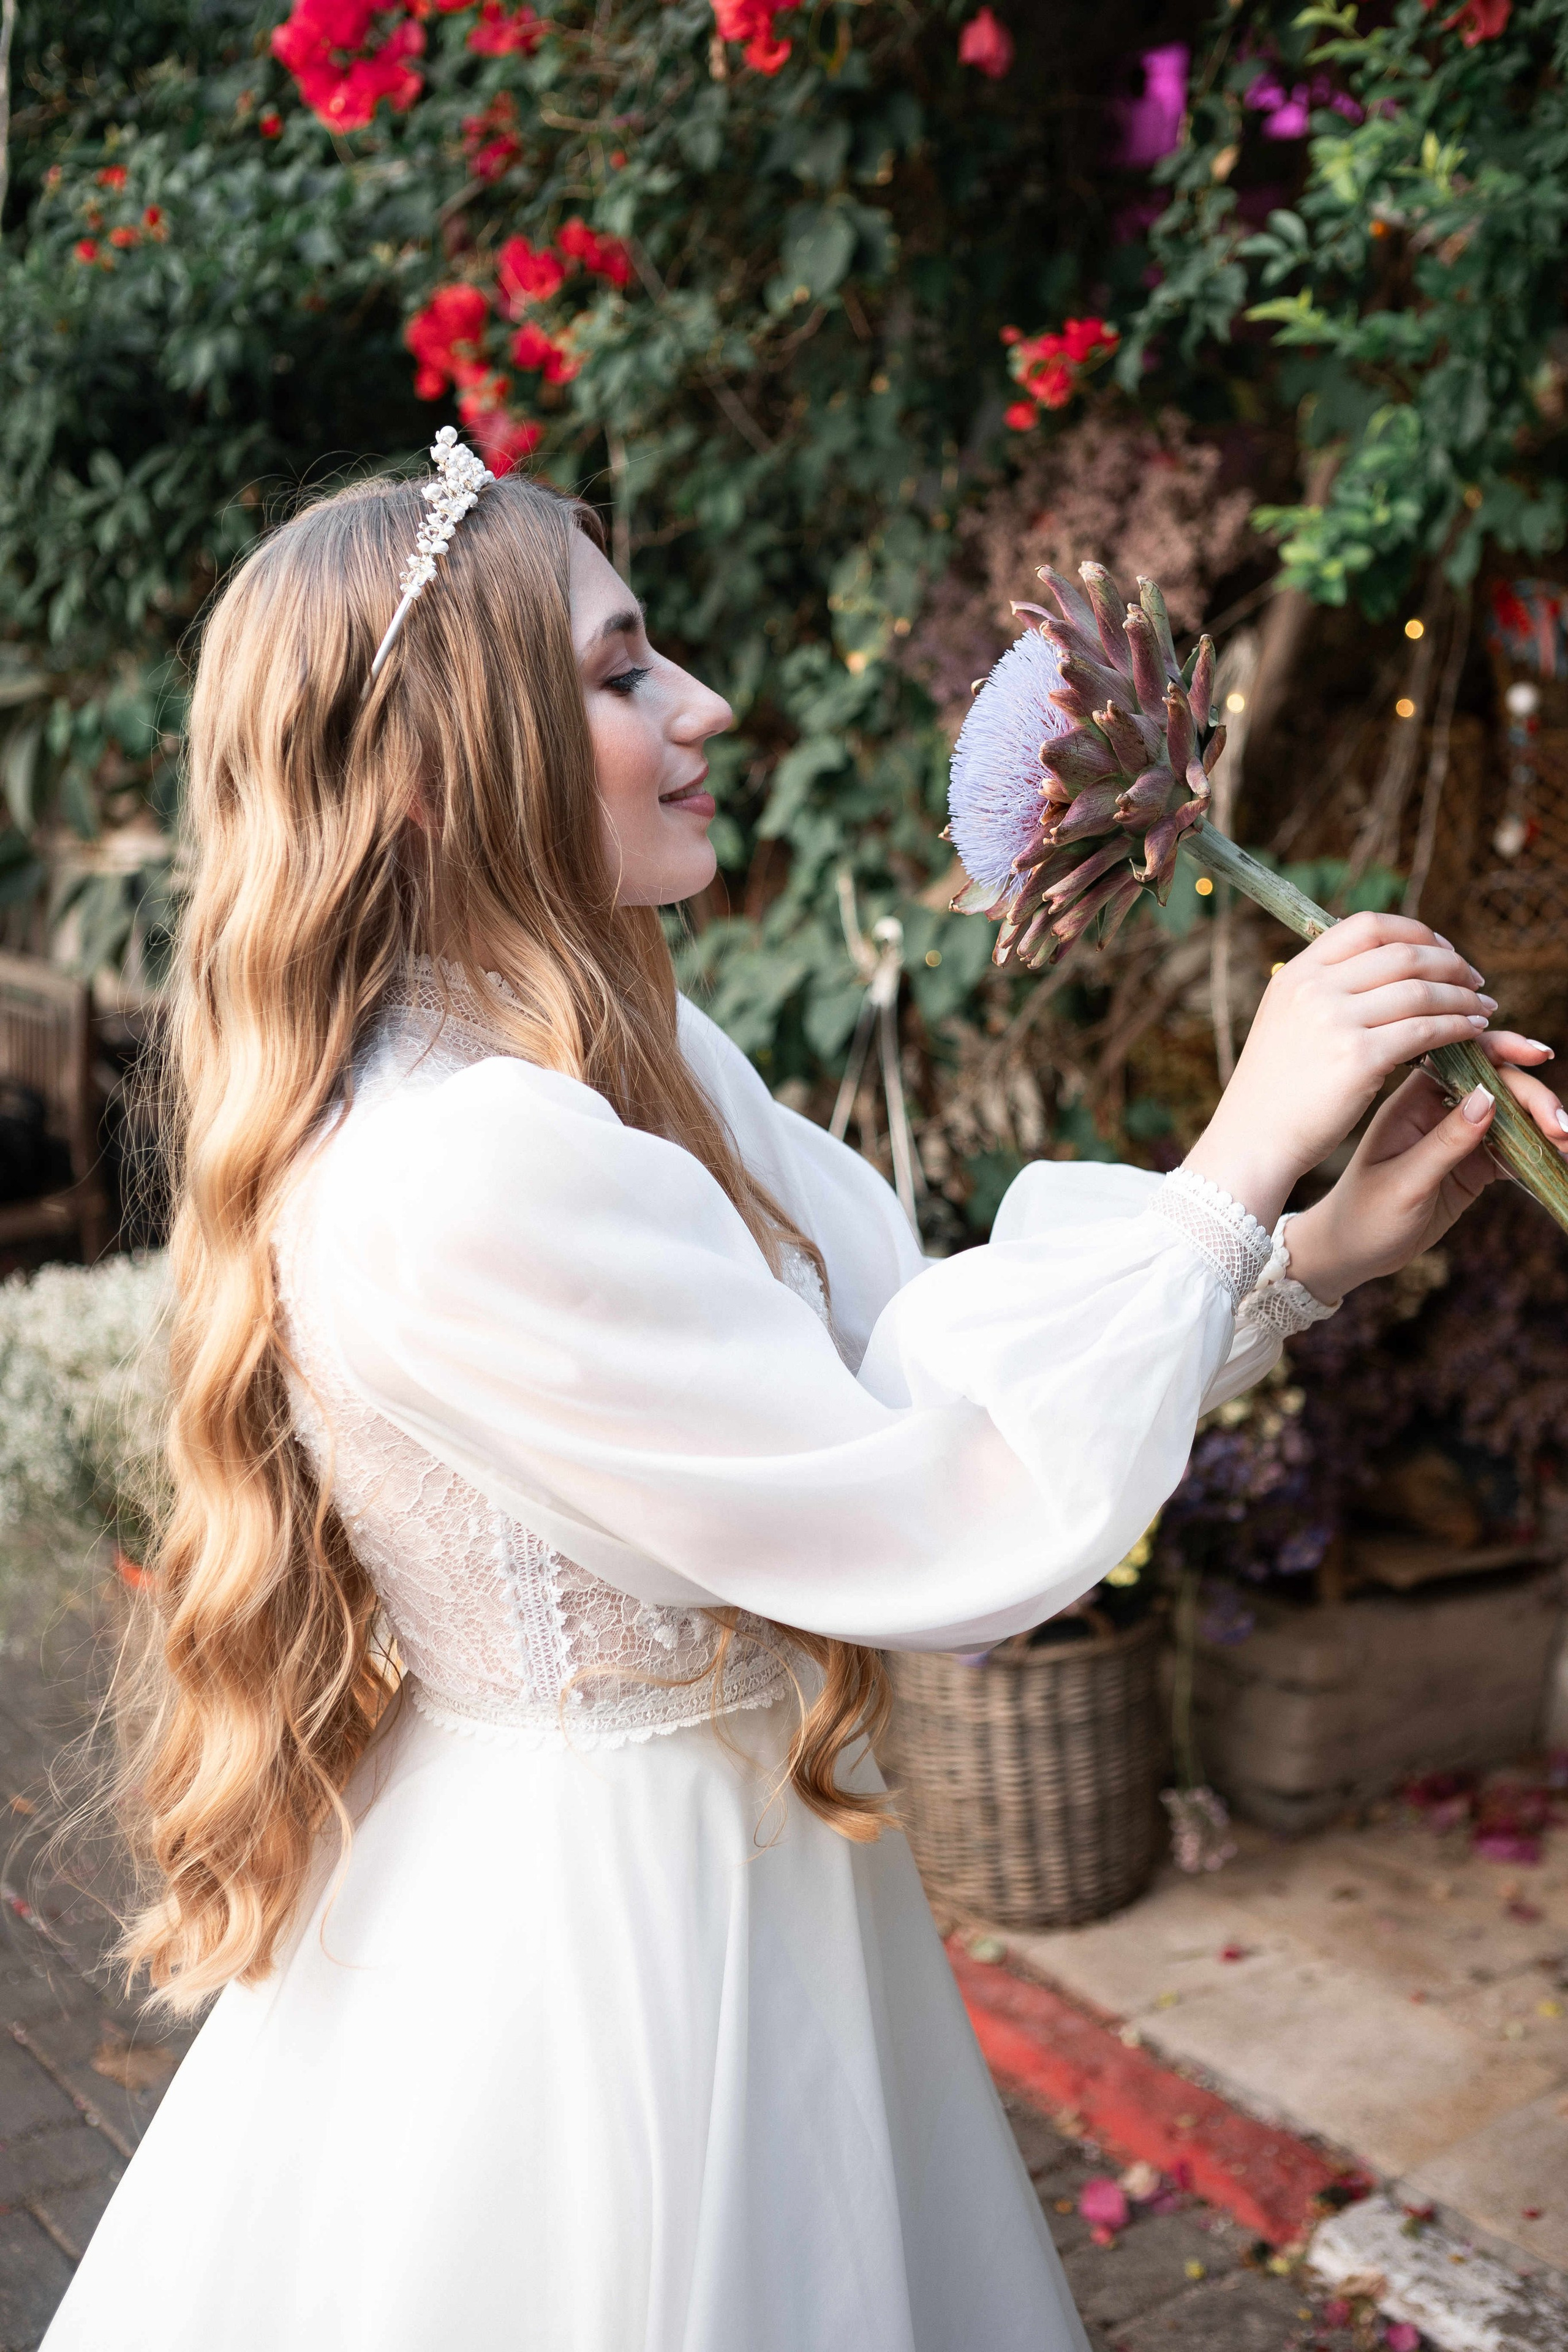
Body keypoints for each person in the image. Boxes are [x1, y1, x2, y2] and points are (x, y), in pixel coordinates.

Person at [44, 435, 1568, 2352]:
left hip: (721, 1855)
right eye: (618, 673)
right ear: (436, 772)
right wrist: (1230, 1166)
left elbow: (889, 1353)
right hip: (617, 1937)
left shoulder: (613, 1047)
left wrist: (1304, 1252)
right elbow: (928, 1518)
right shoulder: (464, 1164)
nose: (705, 704)